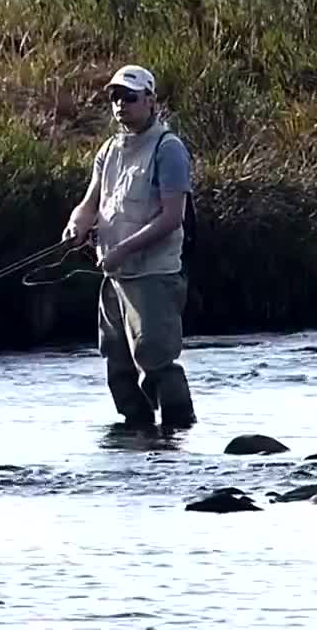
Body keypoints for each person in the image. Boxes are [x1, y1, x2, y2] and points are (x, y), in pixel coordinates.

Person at [61, 64, 197, 428]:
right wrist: (76, 225)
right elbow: (90, 203)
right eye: (115, 97)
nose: (120, 104)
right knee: (116, 364)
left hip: (154, 275)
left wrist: (123, 249)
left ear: (151, 101)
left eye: (130, 97)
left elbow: (172, 218)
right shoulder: (108, 150)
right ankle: (137, 438)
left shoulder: (169, 150)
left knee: (156, 360)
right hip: (115, 276)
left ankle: (178, 436)